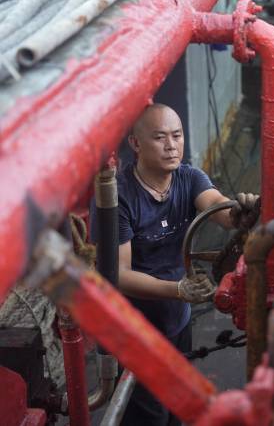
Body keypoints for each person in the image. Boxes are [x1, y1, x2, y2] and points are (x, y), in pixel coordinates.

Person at [92, 103, 258, 425]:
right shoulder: (119, 198)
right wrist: (179, 289)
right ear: (136, 144)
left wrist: (242, 213)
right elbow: (118, 275)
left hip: (177, 321)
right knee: (148, 416)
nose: (171, 145)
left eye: (177, 135)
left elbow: (218, 209)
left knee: (179, 409)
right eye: (160, 137)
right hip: (134, 330)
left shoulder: (189, 178)